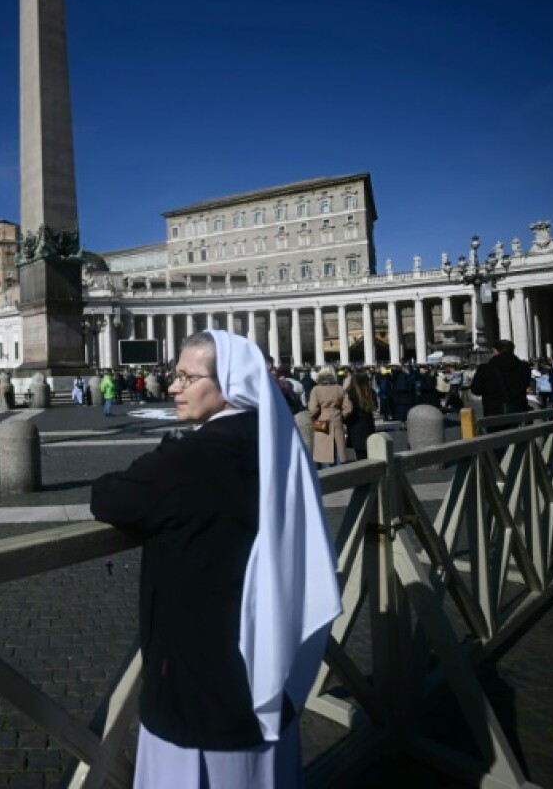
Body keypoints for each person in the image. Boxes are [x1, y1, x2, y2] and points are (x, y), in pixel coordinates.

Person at [91, 330, 342, 787]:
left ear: (228, 382)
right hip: (267, 660)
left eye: (186, 377)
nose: (172, 387)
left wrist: (170, 448)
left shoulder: (192, 459)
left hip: (197, 678)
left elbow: (108, 497)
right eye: (175, 375)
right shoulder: (276, 440)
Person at [470, 339, 531, 418]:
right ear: (512, 350)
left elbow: (476, 390)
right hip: (519, 413)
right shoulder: (524, 367)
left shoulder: (485, 369)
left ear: (495, 351)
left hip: (494, 414)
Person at [307, 365, 353, 467]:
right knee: (338, 451)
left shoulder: (316, 389)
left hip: (321, 420)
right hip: (336, 419)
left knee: (323, 451)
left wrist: (314, 416)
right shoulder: (339, 389)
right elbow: (348, 408)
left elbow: (313, 409)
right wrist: (341, 415)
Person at [344, 370, 379, 460]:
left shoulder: (351, 392)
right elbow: (375, 407)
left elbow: (349, 409)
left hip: (355, 425)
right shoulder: (371, 391)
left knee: (360, 455)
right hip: (368, 424)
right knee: (370, 452)